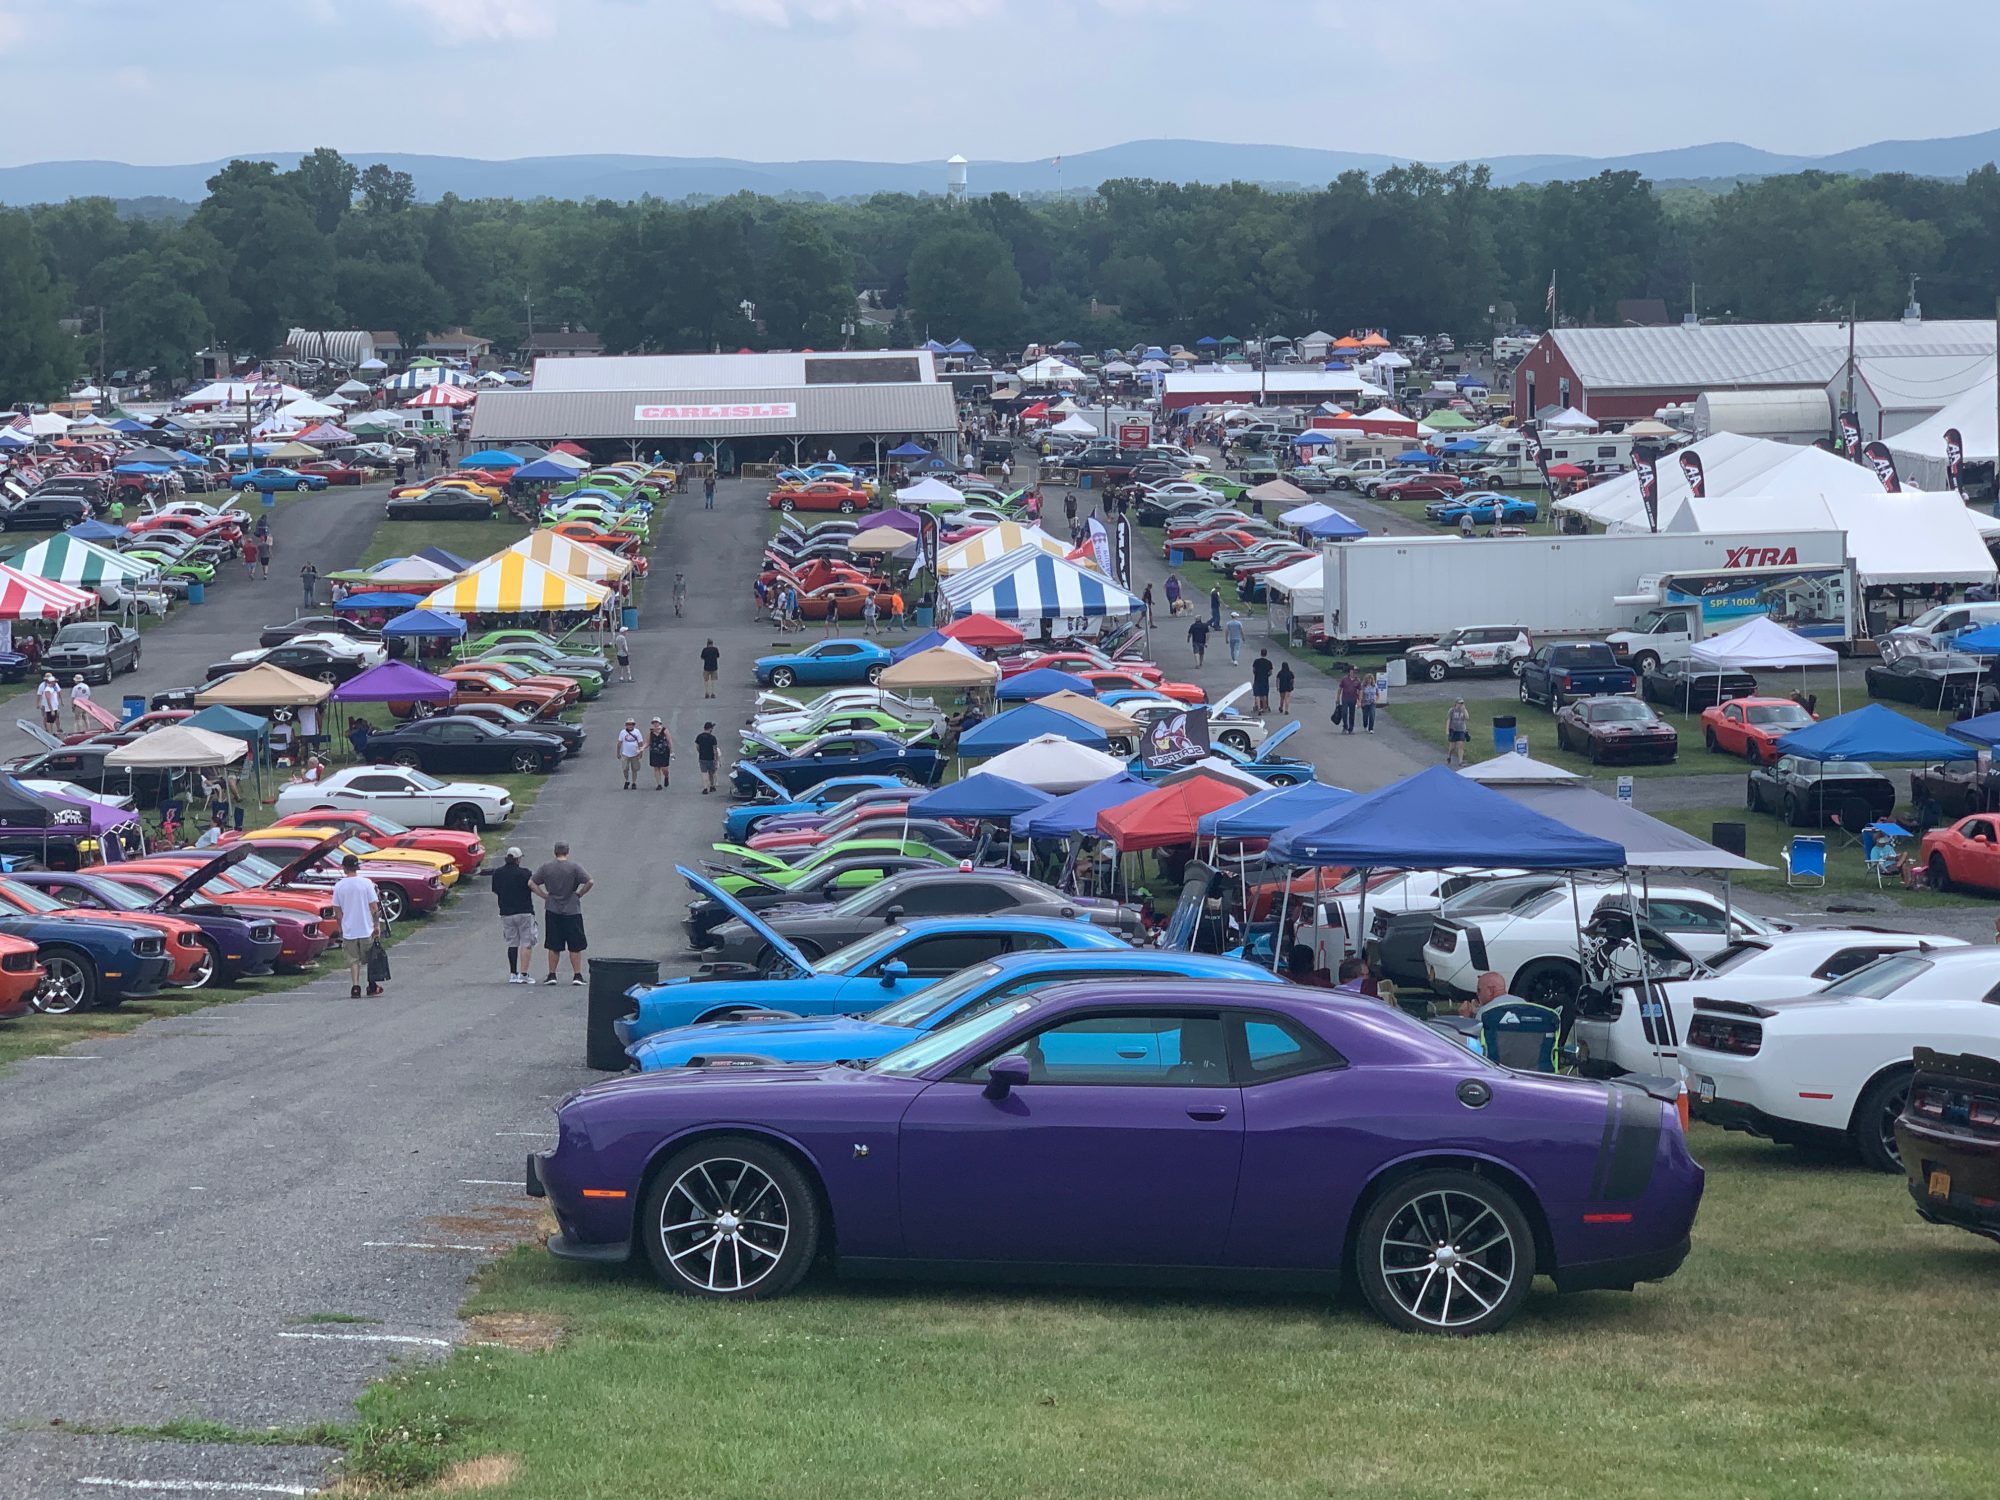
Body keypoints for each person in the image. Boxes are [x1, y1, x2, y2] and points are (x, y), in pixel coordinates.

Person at [530, 842, 593, 985]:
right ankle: (577, 975)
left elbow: (531, 883)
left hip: (553, 908)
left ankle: (552, 975)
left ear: (555, 852)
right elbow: (590, 881)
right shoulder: (574, 867)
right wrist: (579, 894)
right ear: (567, 851)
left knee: (553, 944)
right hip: (572, 909)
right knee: (575, 945)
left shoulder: (546, 867)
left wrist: (545, 895)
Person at [331, 853, 383, 998]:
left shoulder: (339, 886)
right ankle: (372, 985)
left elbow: (337, 911)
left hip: (349, 929)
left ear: (344, 868)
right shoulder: (366, 883)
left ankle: (355, 986)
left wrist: (340, 927)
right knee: (370, 957)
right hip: (365, 928)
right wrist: (376, 924)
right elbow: (373, 906)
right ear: (357, 867)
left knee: (353, 960)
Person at [493, 846, 536, 984]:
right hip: (524, 911)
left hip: (506, 912)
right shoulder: (525, 873)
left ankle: (513, 973)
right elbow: (531, 887)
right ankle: (524, 974)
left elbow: (495, 889)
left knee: (512, 943)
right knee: (526, 942)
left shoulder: (498, 873)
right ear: (518, 859)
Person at [616, 717, 643, 789]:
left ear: (634, 725)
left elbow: (640, 743)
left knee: (635, 769)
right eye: (628, 724)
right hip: (625, 754)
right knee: (625, 768)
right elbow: (619, 743)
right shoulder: (622, 732)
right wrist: (618, 753)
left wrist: (641, 753)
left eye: (632, 724)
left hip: (635, 753)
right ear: (626, 725)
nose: (630, 726)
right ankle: (627, 780)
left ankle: (634, 782)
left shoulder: (637, 732)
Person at [647, 717, 673, 789]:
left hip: (664, 752)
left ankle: (666, 776)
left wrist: (671, 751)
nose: (655, 724)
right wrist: (643, 747)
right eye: (654, 722)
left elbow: (669, 741)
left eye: (657, 722)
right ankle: (659, 784)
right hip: (654, 752)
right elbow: (648, 741)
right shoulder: (651, 732)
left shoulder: (665, 730)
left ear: (659, 723)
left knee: (664, 768)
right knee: (656, 768)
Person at [696, 722, 721, 794]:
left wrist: (700, 752)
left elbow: (697, 746)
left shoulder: (699, 737)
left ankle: (705, 787)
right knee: (711, 773)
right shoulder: (713, 738)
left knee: (704, 773)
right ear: (710, 729)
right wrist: (716, 759)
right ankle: (712, 786)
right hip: (711, 758)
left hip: (702, 757)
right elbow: (715, 750)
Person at [1446, 698, 1471, 768]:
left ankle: (1460, 761)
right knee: (1452, 746)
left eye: (1462, 703)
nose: (1461, 704)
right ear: (1456, 703)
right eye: (1460, 703)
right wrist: (1447, 730)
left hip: (1461, 730)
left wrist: (1464, 710)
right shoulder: (1452, 710)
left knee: (1460, 745)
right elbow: (1448, 720)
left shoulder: (1464, 710)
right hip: (1453, 730)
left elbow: (1467, 718)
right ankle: (1449, 756)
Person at [1335, 666, 1361, 734]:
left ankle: (1351, 729)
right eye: (1353, 671)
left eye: (1355, 671)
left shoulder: (1357, 681)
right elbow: (1340, 688)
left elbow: (1360, 691)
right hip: (1345, 698)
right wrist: (1337, 698)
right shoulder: (1344, 679)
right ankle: (1345, 727)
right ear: (1350, 671)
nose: (1354, 673)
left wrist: (1359, 701)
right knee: (1344, 713)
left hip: (1353, 699)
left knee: (1352, 714)